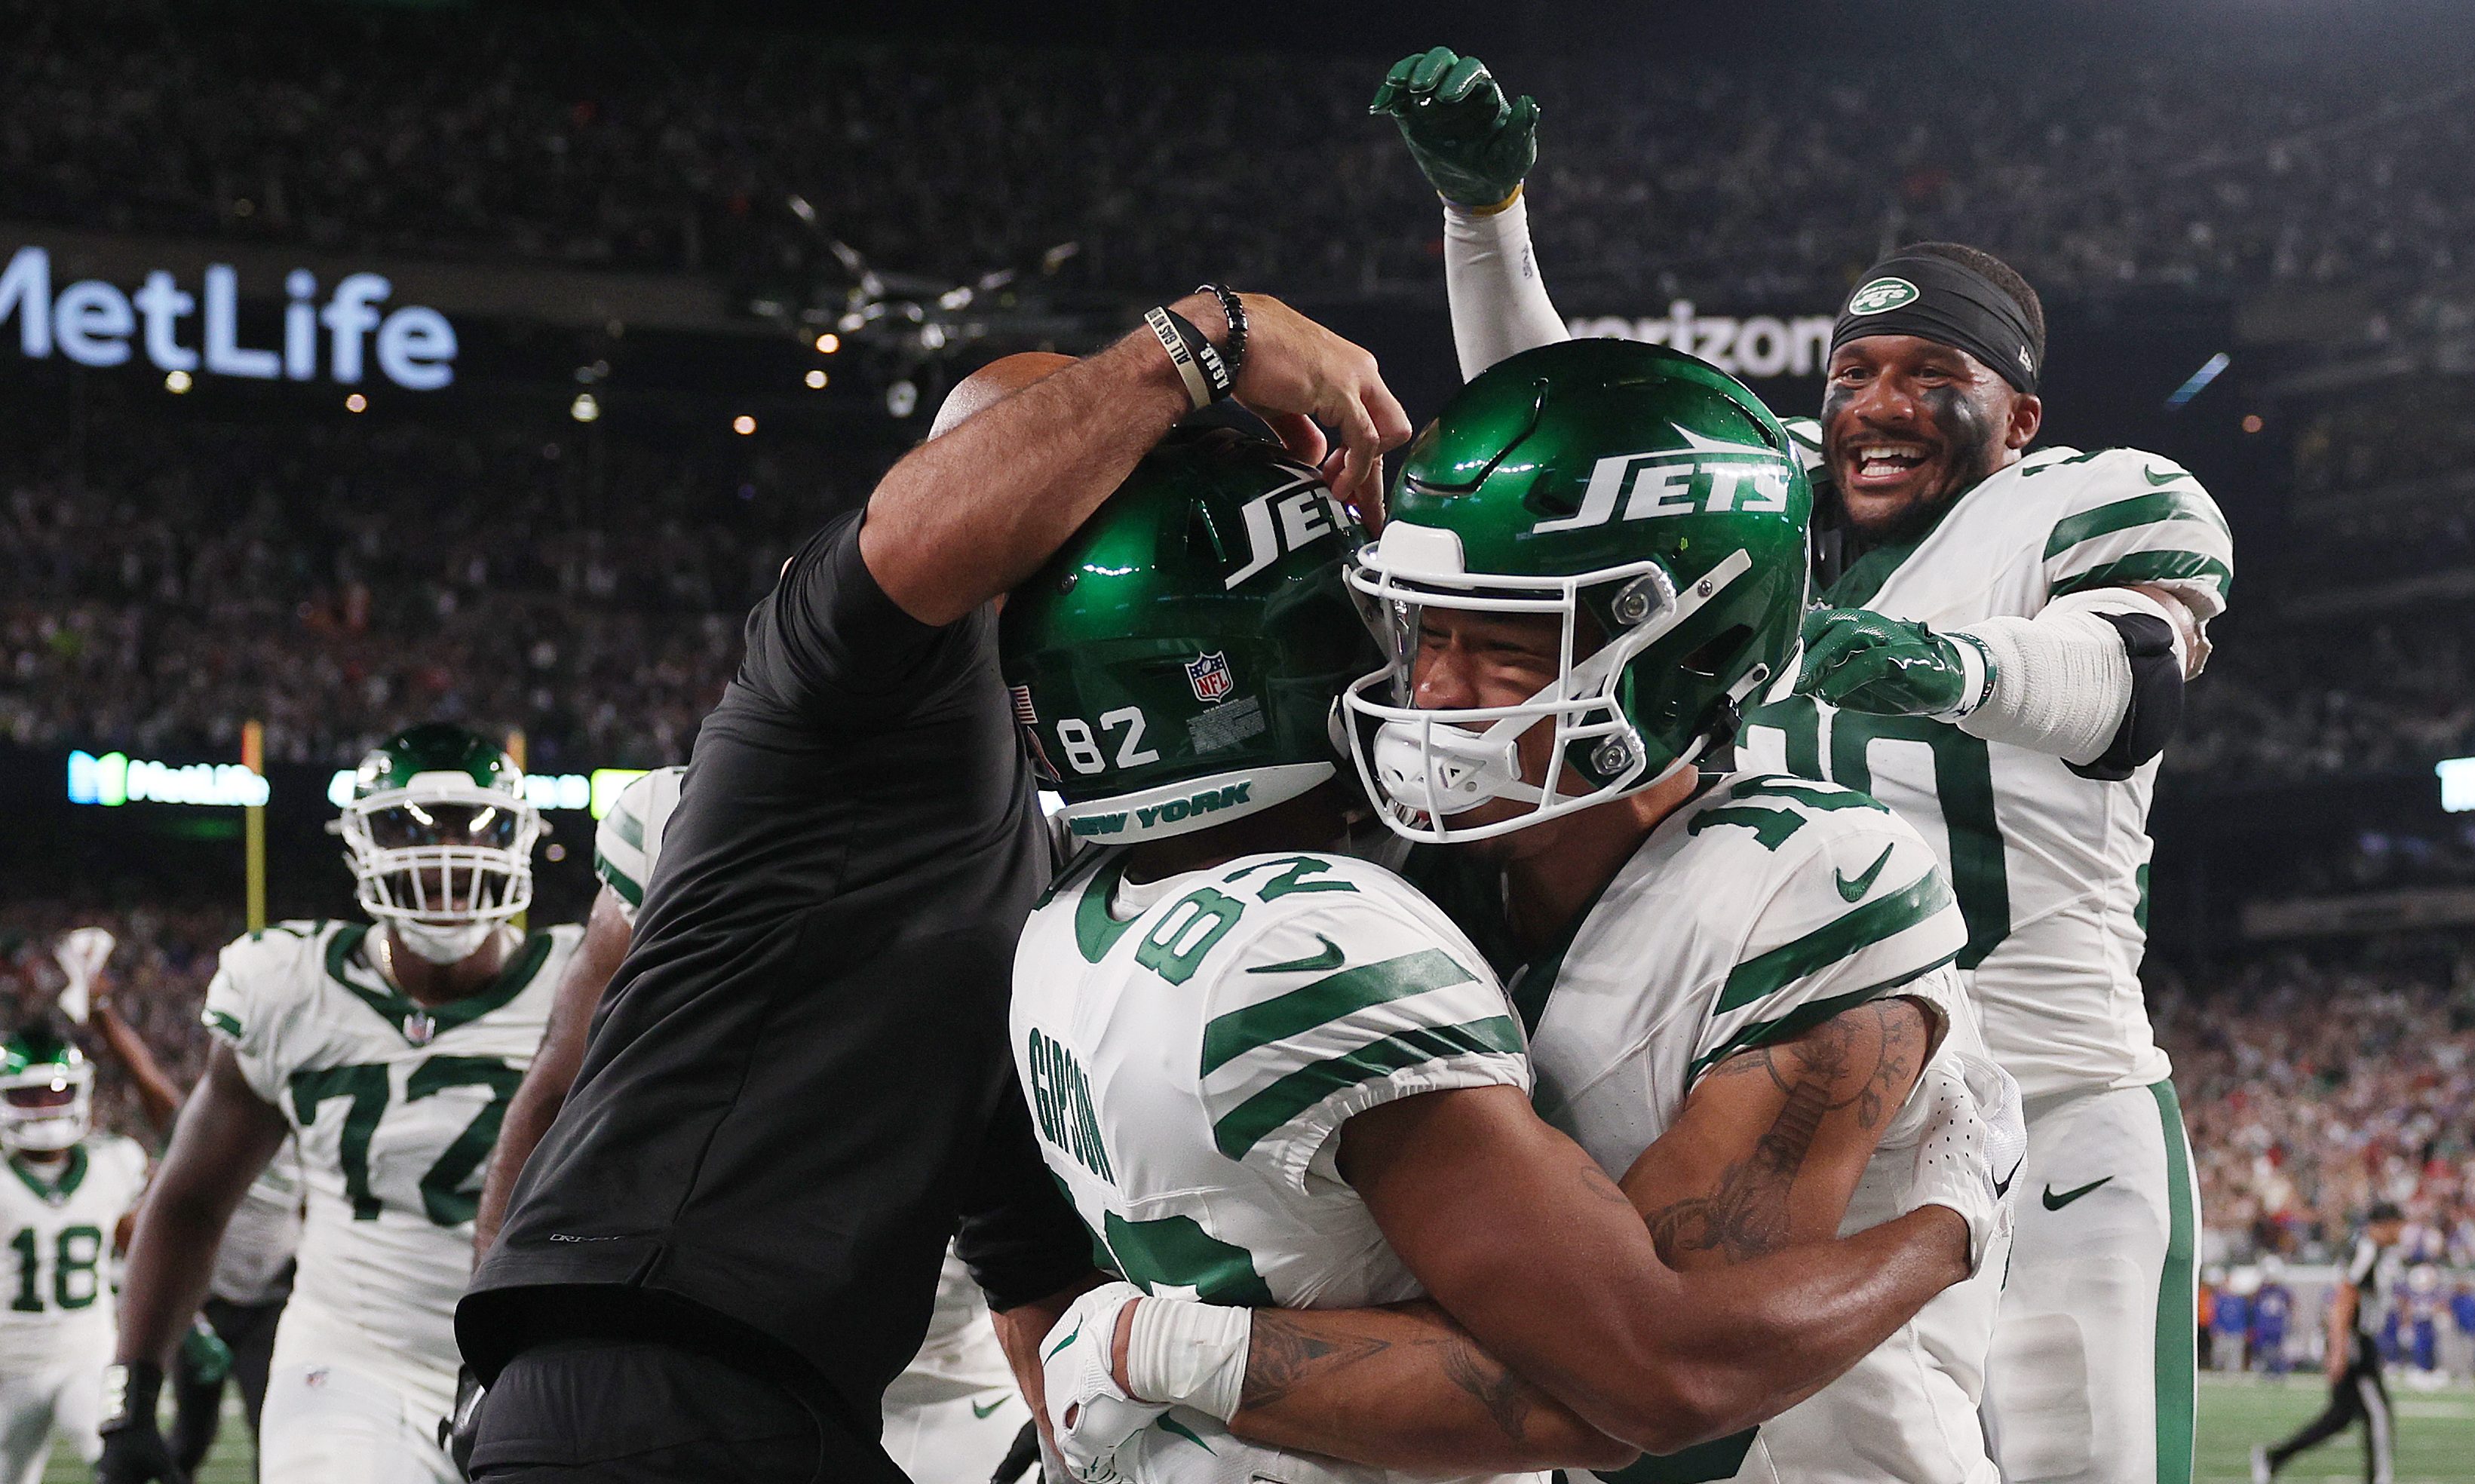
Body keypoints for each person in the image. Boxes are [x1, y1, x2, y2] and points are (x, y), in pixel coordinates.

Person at [1374, 48, 2232, 1484]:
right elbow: (1572, 416)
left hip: (2053, 1093)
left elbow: (2127, 678)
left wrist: (1951, 668)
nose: (1877, 405)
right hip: (1805, 1102)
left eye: (1928, 375)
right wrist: (1489, 221)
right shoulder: (1774, 512)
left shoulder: (2100, 498)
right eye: (1855, 373)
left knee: (2089, 1463)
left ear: (2020, 415)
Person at [455, 289, 1411, 1482]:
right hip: (659, 1374)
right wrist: (1203, 347)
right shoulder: (862, 685)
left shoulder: (1045, 876)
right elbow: (920, 534)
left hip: (755, 1404)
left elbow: (1020, 1251)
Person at [1038, 339, 2023, 1484]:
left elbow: (1649, 1393)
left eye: (1506, 648)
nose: (1434, 698)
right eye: (1420, 632)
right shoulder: (1428, 862)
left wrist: (1157, 1344)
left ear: (1694, 653)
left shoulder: (1813, 880)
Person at [473, 763, 1033, 1484]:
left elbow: (1025, 1189)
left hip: (961, 1363)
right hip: (737, 1353)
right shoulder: (686, 811)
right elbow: (559, 1083)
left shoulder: (1021, 833)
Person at [98, 724, 581, 1484]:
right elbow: (191, 1202)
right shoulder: (289, 986)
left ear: (520, 839)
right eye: (409, 827)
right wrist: (131, 1395)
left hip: (544, 1364)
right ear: (360, 843)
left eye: (474, 826)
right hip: (354, 1357)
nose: (444, 854)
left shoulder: (584, 986)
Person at [87, 979, 299, 1481]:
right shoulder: (206, 1127)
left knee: (272, 1431)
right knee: (188, 1436)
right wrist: (102, 1015)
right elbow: (144, 1075)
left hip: (269, 1302)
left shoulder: (311, 1133)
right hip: (204, 1304)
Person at [0, 1029, 151, 1484]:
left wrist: (191, 1326)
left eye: (56, 1092)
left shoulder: (115, 1164)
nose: (46, 1107)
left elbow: (144, 1252)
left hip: (87, 1356)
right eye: (30, 1096)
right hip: (9, 1365)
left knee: (123, 1464)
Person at [2253, 1204, 2403, 1484]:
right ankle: (2379, 1479)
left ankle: (2275, 1457)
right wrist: (2339, 1348)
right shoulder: (2366, 1249)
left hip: (2353, 1339)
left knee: (2340, 1417)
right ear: (2386, 1224)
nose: (2402, 1232)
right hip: (2355, 1341)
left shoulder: (2367, 1248)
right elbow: (2344, 1297)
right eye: (2398, 1225)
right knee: (2378, 1413)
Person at [2253, 1263, 2295, 1377]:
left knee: (2277, 1351)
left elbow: (2292, 1305)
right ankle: (2267, 1371)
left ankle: (2279, 1372)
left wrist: (2293, 1322)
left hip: (2277, 1326)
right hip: (2264, 1326)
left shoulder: (2283, 1291)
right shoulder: (2262, 1290)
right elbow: (2253, 1301)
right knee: (2264, 1350)